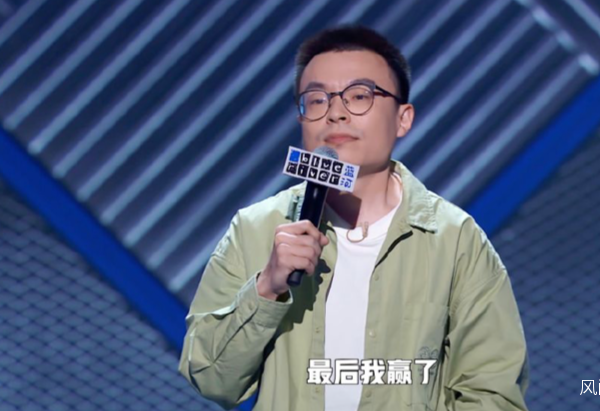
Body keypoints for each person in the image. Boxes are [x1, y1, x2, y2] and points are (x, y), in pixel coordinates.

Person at [178, 24, 529, 411]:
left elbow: (493, 393)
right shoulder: (254, 229)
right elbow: (211, 379)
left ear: (403, 118)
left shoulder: (455, 239)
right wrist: (267, 287)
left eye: (359, 96)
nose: (336, 114)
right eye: (316, 100)